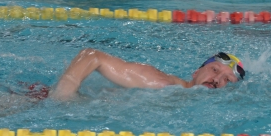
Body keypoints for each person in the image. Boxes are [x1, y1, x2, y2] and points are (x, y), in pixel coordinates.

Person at [49, 48, 245, 100]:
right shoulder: (161, 83)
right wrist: (63, 95)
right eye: (214, 70)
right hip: (41, 101)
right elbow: (92, 56)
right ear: (196, 72)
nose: (217, 80)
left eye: (227, 80)